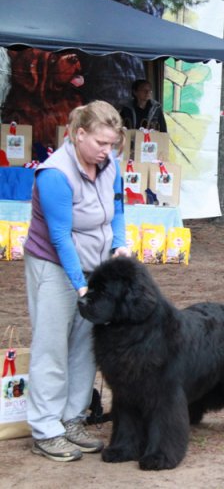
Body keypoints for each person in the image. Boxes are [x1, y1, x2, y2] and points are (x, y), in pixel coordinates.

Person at [23, 100, 132, 462]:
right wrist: (80, 286)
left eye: (112, 144)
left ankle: (72, 419)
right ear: (79, 134)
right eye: (100, 143)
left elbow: (117, 208)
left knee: (86, 345)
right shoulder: (54, 174)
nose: (107, 151)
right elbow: (60, 237)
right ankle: (46, 429)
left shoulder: (109, 164)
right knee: (52, 346)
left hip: (95, 266)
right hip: (54, 265)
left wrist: (119, 243)